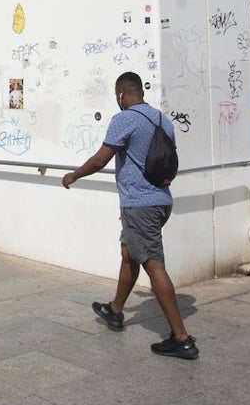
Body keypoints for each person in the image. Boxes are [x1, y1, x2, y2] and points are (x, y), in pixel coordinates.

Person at [61, 71, 197, 360]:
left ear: (121, 94)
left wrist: (74, 175)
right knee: (129, 253)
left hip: (140, 205)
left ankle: (181, 339)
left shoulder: (124, 119)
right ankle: (115, 310)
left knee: (153, 265)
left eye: (117, 95)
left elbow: (101, 159)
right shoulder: (162, 119)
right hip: (161, 201)